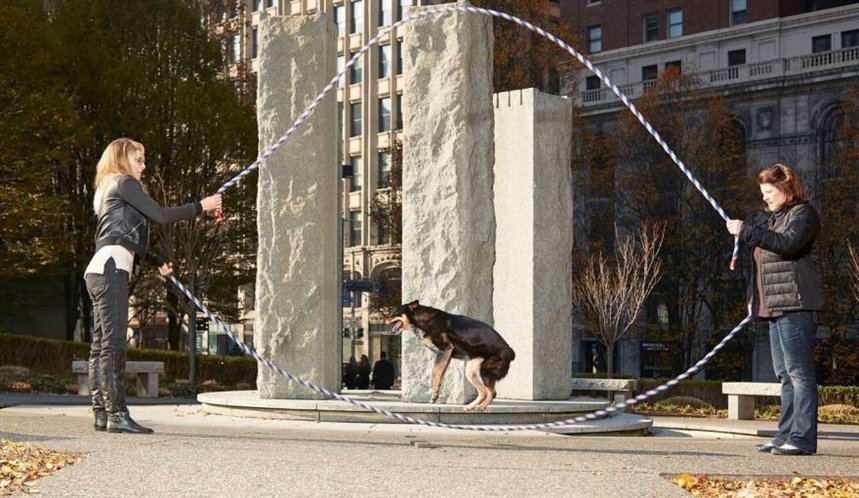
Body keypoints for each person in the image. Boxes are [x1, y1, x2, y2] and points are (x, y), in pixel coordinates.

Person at [85, 138, 221, 434]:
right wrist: (202, 206)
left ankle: (102, 413)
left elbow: (119, 237)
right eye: (139, 160)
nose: (143, 166)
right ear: (123, 159)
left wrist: (156, 261)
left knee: (101, 345)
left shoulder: (108, 187)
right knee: (113, 344)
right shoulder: (124, 183)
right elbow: (161, 215)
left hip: (99, 268)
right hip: (110, 270)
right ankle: (116, 414)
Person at [726, 163, 824, 456]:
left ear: (786, 188)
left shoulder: (804, 215)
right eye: (763, 193)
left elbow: (789, 245)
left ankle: (803, 439)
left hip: (796, 305)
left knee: (799, 374)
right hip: (773, 307)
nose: (765, 198)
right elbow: (760, 265)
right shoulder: (773, 221)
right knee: (784, 374)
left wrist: (747, 231)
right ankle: (785, 436)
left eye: (769, 192)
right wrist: (751, 299)